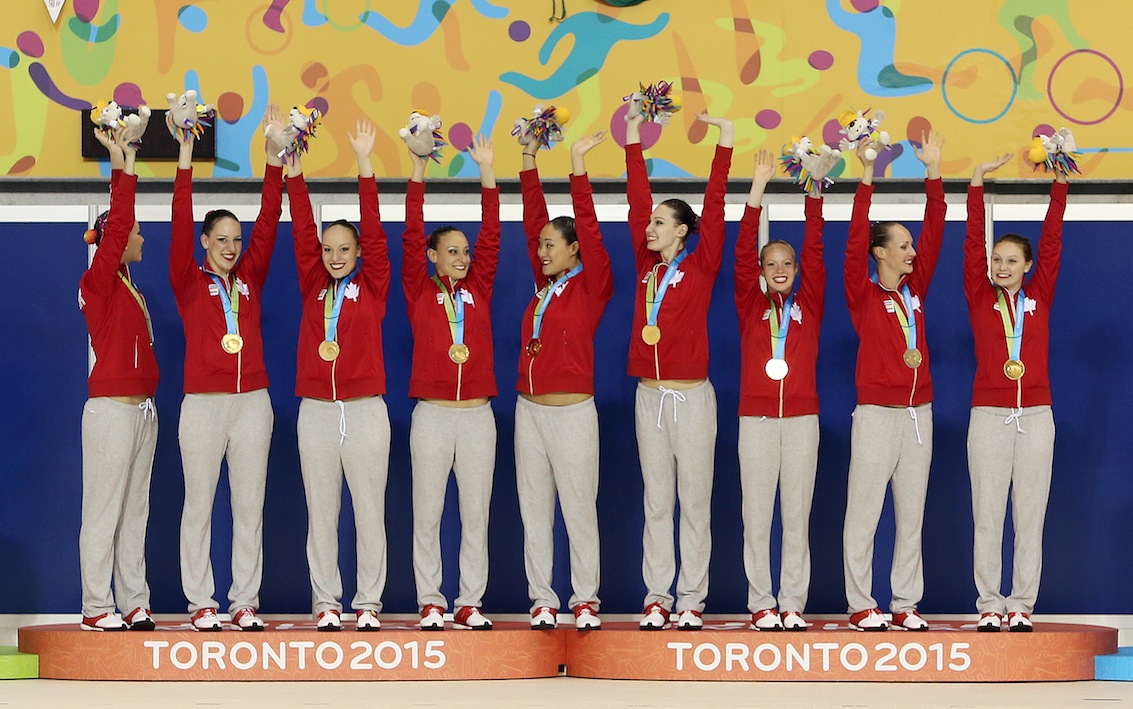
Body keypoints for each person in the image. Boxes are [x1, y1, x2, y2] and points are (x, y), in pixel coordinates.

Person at [170, 105, 288, 631]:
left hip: (252, 404)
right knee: (198, 504)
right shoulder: (187, 279)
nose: (232, 247)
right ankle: (201, 602)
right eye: (221, 239)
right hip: (201, 403)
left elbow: (268, 221)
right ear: (203, 243)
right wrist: (185, 151)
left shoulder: (251, 276)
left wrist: (271, 159)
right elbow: (179, 215)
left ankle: (244, 601)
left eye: (236, 241)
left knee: (249, 506)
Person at [625, 108, 734, 631]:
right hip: (650, 396)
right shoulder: (646, 268)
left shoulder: (703, 264)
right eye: (648, 222)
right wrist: (630, 138)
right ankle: (657, 596)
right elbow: (634, 198)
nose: (649, 227)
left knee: (694, 501)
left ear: (683, 232)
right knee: (656, 502)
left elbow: (714, 208)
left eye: (659, 222)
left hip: (692, 398)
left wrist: (725, 142)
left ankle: (691, 598)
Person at [289, 118, 391, 631]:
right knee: (321, 511)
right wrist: (295, 172)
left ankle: (368, 603)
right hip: (316, 411)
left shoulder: (373, 285)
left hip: (367, 409)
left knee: (369, 510)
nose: (333, 256)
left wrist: (366, 165)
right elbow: (302, 231)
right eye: (328, 250)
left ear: (357, 254)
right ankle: (328, 602)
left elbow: (374, 230)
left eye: (343, 250)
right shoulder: (312, 282)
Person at [842, 133, 945, 632]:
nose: (911, 251)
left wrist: (934, 172)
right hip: (876, 416)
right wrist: (865, 174)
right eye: (902, 245)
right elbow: (852, 238)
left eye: (910, 245)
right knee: (864, 512)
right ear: (878, 253)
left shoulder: (915, 290)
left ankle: (905, 602)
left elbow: (937, 232)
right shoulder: (862, 294)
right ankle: (862, 603)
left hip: (918, 416)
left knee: (912, 516)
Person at [965, 152, 1068, 633]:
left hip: (1037, 416)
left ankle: (1022, 603)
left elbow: (1052, 245)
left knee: (1030, 516)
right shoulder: (980, 295)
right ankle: (989, 603)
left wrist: (1059, 187)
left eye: (1011, 260)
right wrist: (976, 184)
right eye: (996, 259)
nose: (1001, 266)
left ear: (1026, 266)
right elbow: (970, 246)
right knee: (987, 514)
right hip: (988, 415)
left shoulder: (1040, 294)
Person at [515, 131, 614, 631]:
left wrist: (577, 167)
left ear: (575, 251)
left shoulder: (592, 285)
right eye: (539, 245)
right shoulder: (543, 286)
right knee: (535, 511)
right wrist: (529, 157)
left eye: (551, 244)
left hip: (573, 411)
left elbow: (590, 231)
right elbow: (536, 218)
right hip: (528, 411)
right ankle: (543, 599)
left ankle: (585, 600)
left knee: (577, 509)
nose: (542, 249)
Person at [403, 135, 499, 631]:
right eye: (453, 251)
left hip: (478, 415)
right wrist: (419, 169)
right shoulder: (418, 288)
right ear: (432, 256)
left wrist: (487, 174)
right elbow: (410, 229)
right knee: (428, 512)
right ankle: (431, 600)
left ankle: (469, 601)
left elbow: (493, 236)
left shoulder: (479, 288)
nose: (462, 258)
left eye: (466, 251)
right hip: (433, 415)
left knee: (475, 514)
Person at [735, 149, 825, 632]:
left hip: (802, 421)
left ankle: (792, 603)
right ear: (761, 268)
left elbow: (816, 249)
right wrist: (757, 189)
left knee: (796, 515)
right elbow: (742, 250)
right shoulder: (750, 302)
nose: (781, 268)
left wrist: (813, 191)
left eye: (787, 262)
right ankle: (761, 603)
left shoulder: (809, 300)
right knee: (757, 516)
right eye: (771, 263)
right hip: (757, 420)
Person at [78, 119, 158, 631]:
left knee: (135, 512)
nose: (142, 236)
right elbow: (120, 219)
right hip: (110, 411)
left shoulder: (127, 285)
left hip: (142, 411)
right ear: (116, 239)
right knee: (104, 511)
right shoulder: (99, 279)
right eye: (134, 231)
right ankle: (94, 606)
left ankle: (132, 600)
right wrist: (122, 163)